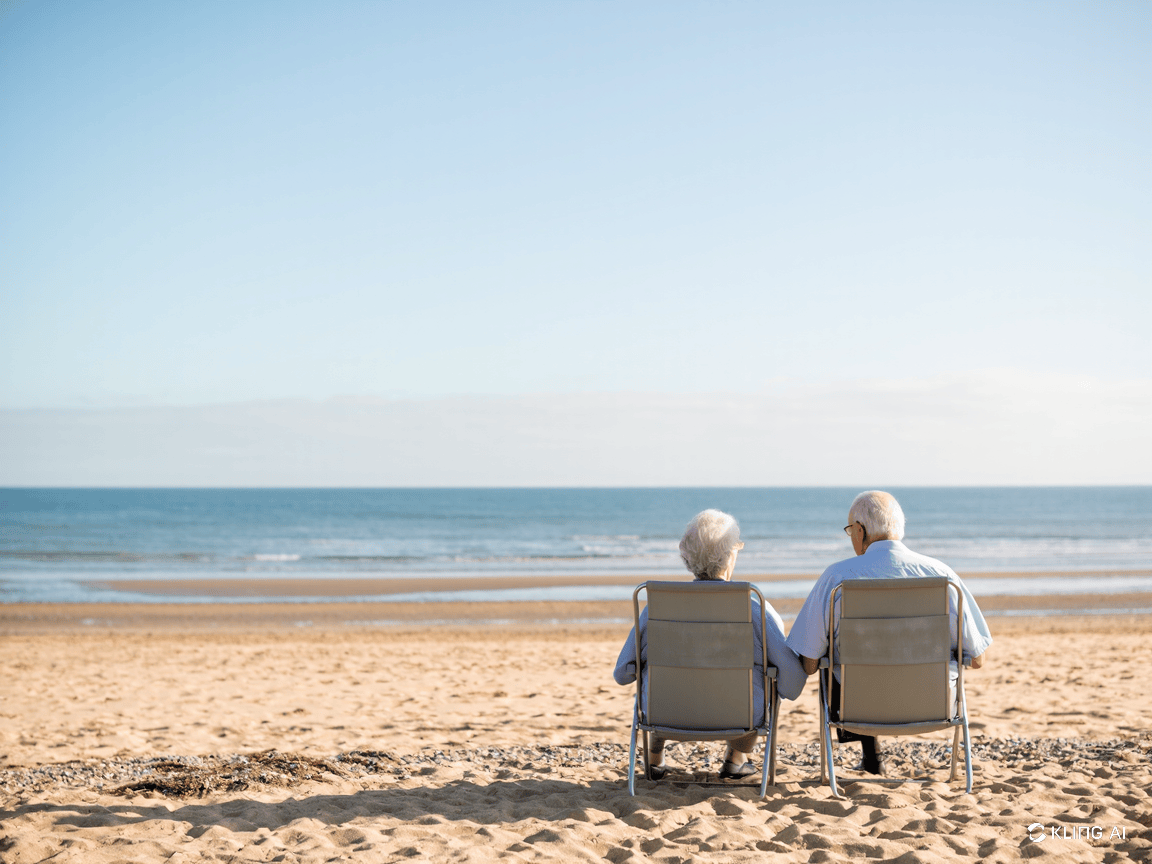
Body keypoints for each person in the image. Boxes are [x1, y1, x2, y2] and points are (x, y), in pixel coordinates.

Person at [787, 490, 993, 775]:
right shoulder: (942, 575)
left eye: (850, 530)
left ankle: (870, 760)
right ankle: (877, 760)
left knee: (831, 660)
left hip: (857, 709)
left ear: (860, 530)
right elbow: (978, 657)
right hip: (933, 705)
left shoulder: (837, 578)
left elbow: (809, 663)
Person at [614, 509, 807, 781]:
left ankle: (654, 756)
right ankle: (736, 759)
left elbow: (622, 673)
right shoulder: (753, 609)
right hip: (739, 720)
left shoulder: (657, 608)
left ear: (687, 557)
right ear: (730, 556)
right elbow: (793, 683)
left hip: (666, 715)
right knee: (767, 675)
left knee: (653, 676)